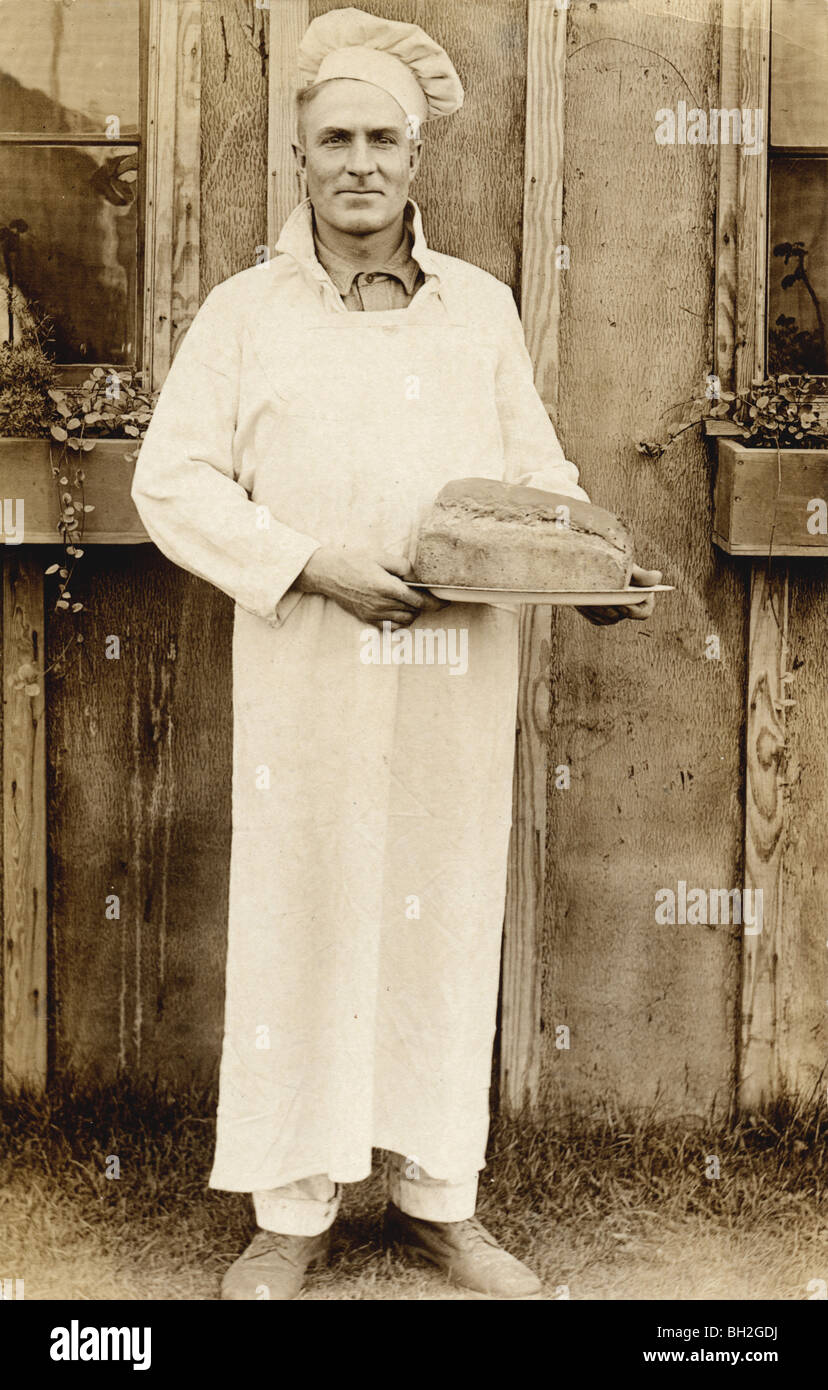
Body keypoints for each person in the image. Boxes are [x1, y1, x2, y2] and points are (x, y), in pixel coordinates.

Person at [130, 6, 661, 1301]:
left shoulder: (476, 308)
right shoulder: (246, 313)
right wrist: (311, 562)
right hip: (308, 664)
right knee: (299, 912)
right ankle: (290, 1208)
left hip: (450, 673)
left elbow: (535, 473)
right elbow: (174, 481)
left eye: (384, 139)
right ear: (301, 159)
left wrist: (588, 570)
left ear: (417, 159)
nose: (360, 161)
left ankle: (440, 1198)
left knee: (441, 905)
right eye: (335, 140)